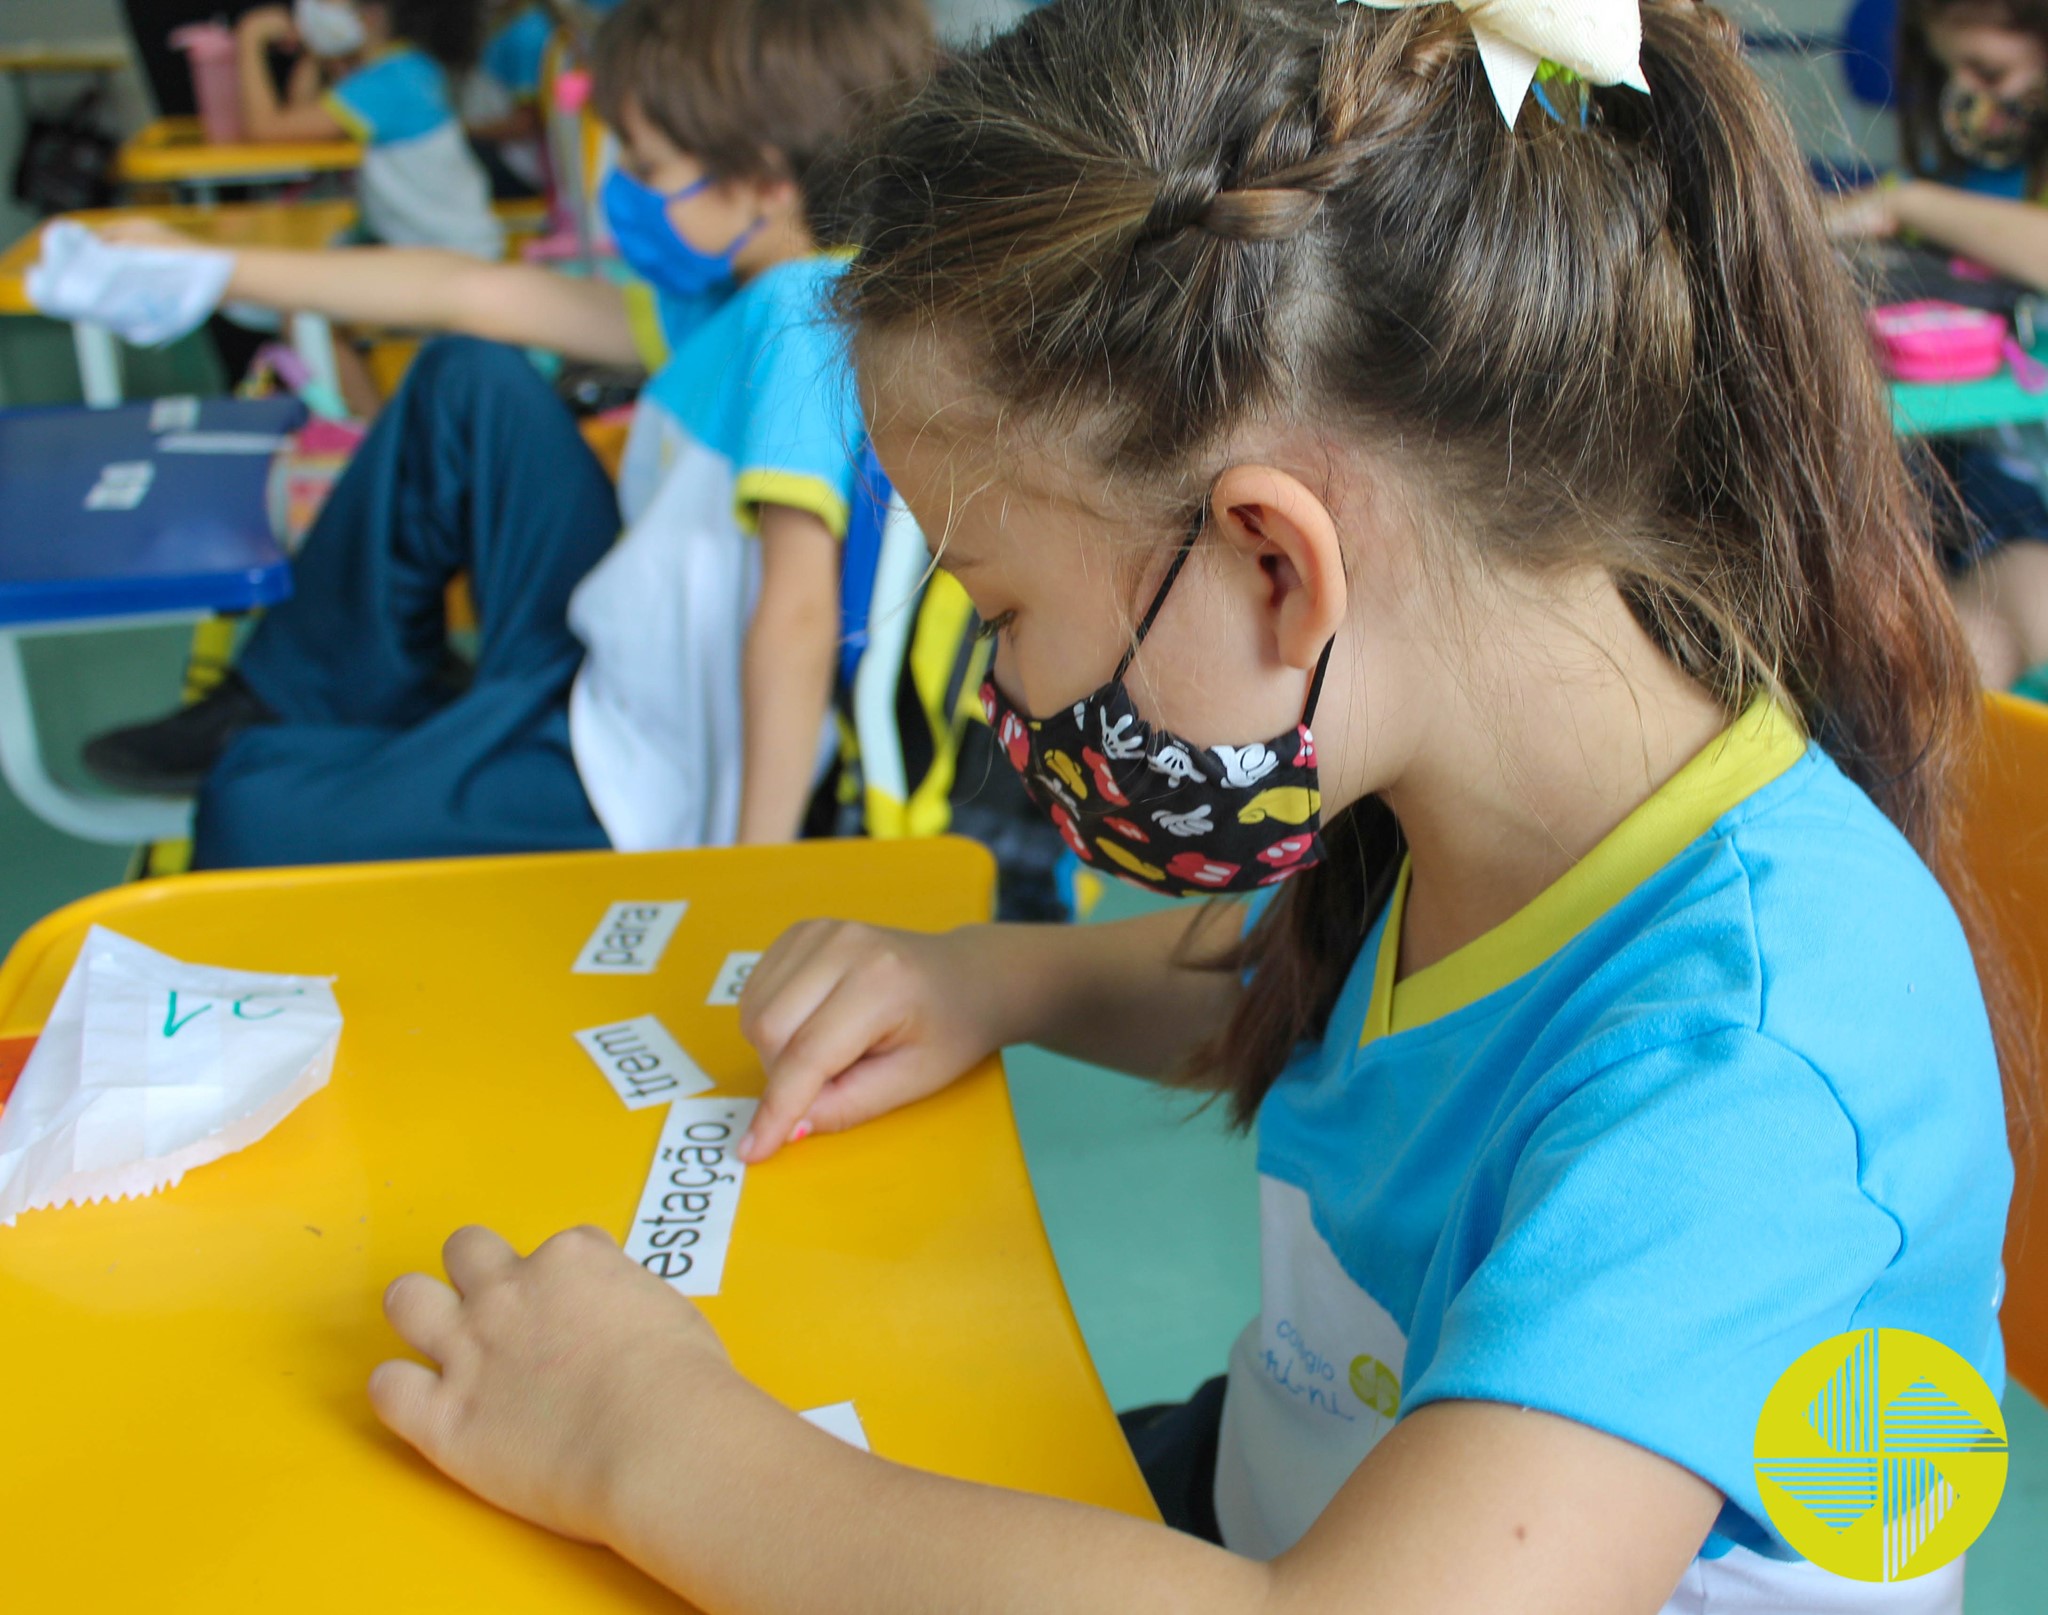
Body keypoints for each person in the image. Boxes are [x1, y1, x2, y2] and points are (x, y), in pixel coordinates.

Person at [356, 1, 2016, 1611]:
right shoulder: (1481, 789)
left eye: (998, 611)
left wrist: (650, 1444)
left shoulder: (1760, 1073)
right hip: (1270, 1492)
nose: (1005, 700)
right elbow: (1337, 985)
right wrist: (993, 980)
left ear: (1274, 563)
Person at [85, 0, 936, 867]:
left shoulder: (798, 323)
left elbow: (796, 615)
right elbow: (469, 293)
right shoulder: (749, 295)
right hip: (611, 667)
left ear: (764, 181)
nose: (626, 194)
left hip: (640, 787)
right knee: (470, 379)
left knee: (246, 804)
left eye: (646, 166)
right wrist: (206, 267)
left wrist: (746, 879)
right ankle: (310, 699)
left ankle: (363, 729)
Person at [1828, 0, 2048, 689]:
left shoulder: (1935, 191)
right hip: (1974, 453)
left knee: (2010, 605)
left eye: (1990, 69)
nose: (1972, 96)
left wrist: (1906, 203)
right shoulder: (1982, 157)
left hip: (2016, 488)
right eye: (1955, 71)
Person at [234, 0, 503, 257]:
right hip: (444, 245)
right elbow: (300, 113)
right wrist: (316, 53)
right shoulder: (405, 65)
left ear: (370, 14)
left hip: (446, 257)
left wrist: (249, 36)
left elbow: (267, 130)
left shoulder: (389, 83)